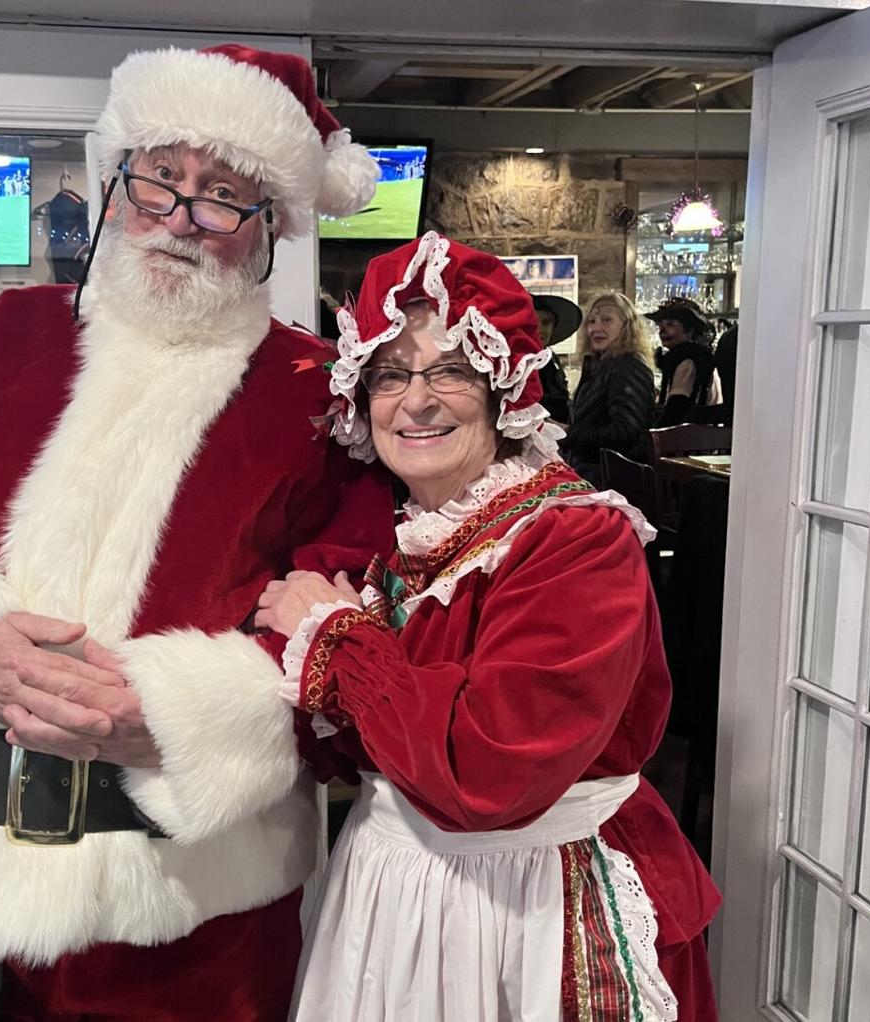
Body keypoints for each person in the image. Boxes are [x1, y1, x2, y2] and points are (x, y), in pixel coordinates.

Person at [0, 44, 392, 1022]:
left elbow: (351, 611)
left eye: (222, 193)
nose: (179, 216)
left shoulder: (317, 394)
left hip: (188, 917)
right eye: (159, 178)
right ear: (113, 181)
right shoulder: (0, 336)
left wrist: (178, 714)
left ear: (270, 227)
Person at [254, 232, 720, 1021]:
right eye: (391, 373)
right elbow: (361, 752)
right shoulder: (403, 543)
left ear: (507, 387)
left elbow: (487, 771)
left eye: (451, 370)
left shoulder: (577, 539)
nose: (417, 399)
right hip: (394, 900)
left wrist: (336, 642)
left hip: (529, 912)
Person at [563, 290, 656, 485]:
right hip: (594, 476)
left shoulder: (627, 366)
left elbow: (624, 433)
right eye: (591, 322)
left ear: (626, 327)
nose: (595, 328)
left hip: (615, 482)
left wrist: (568, 433)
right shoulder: (599, 365)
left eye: (607, 320)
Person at [647, 296, 723, 427]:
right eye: (661, 326)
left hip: (690, 439)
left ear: (689, 331)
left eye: (671, 324)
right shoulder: (690, 357)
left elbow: (677, 407)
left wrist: (652, 434)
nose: (662, 331)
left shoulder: (688, 360)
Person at [530, 291, 582, 422]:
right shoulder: (518, 363)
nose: (540, 328)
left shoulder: (552, 359)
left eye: (546, 323)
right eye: (534, 322)